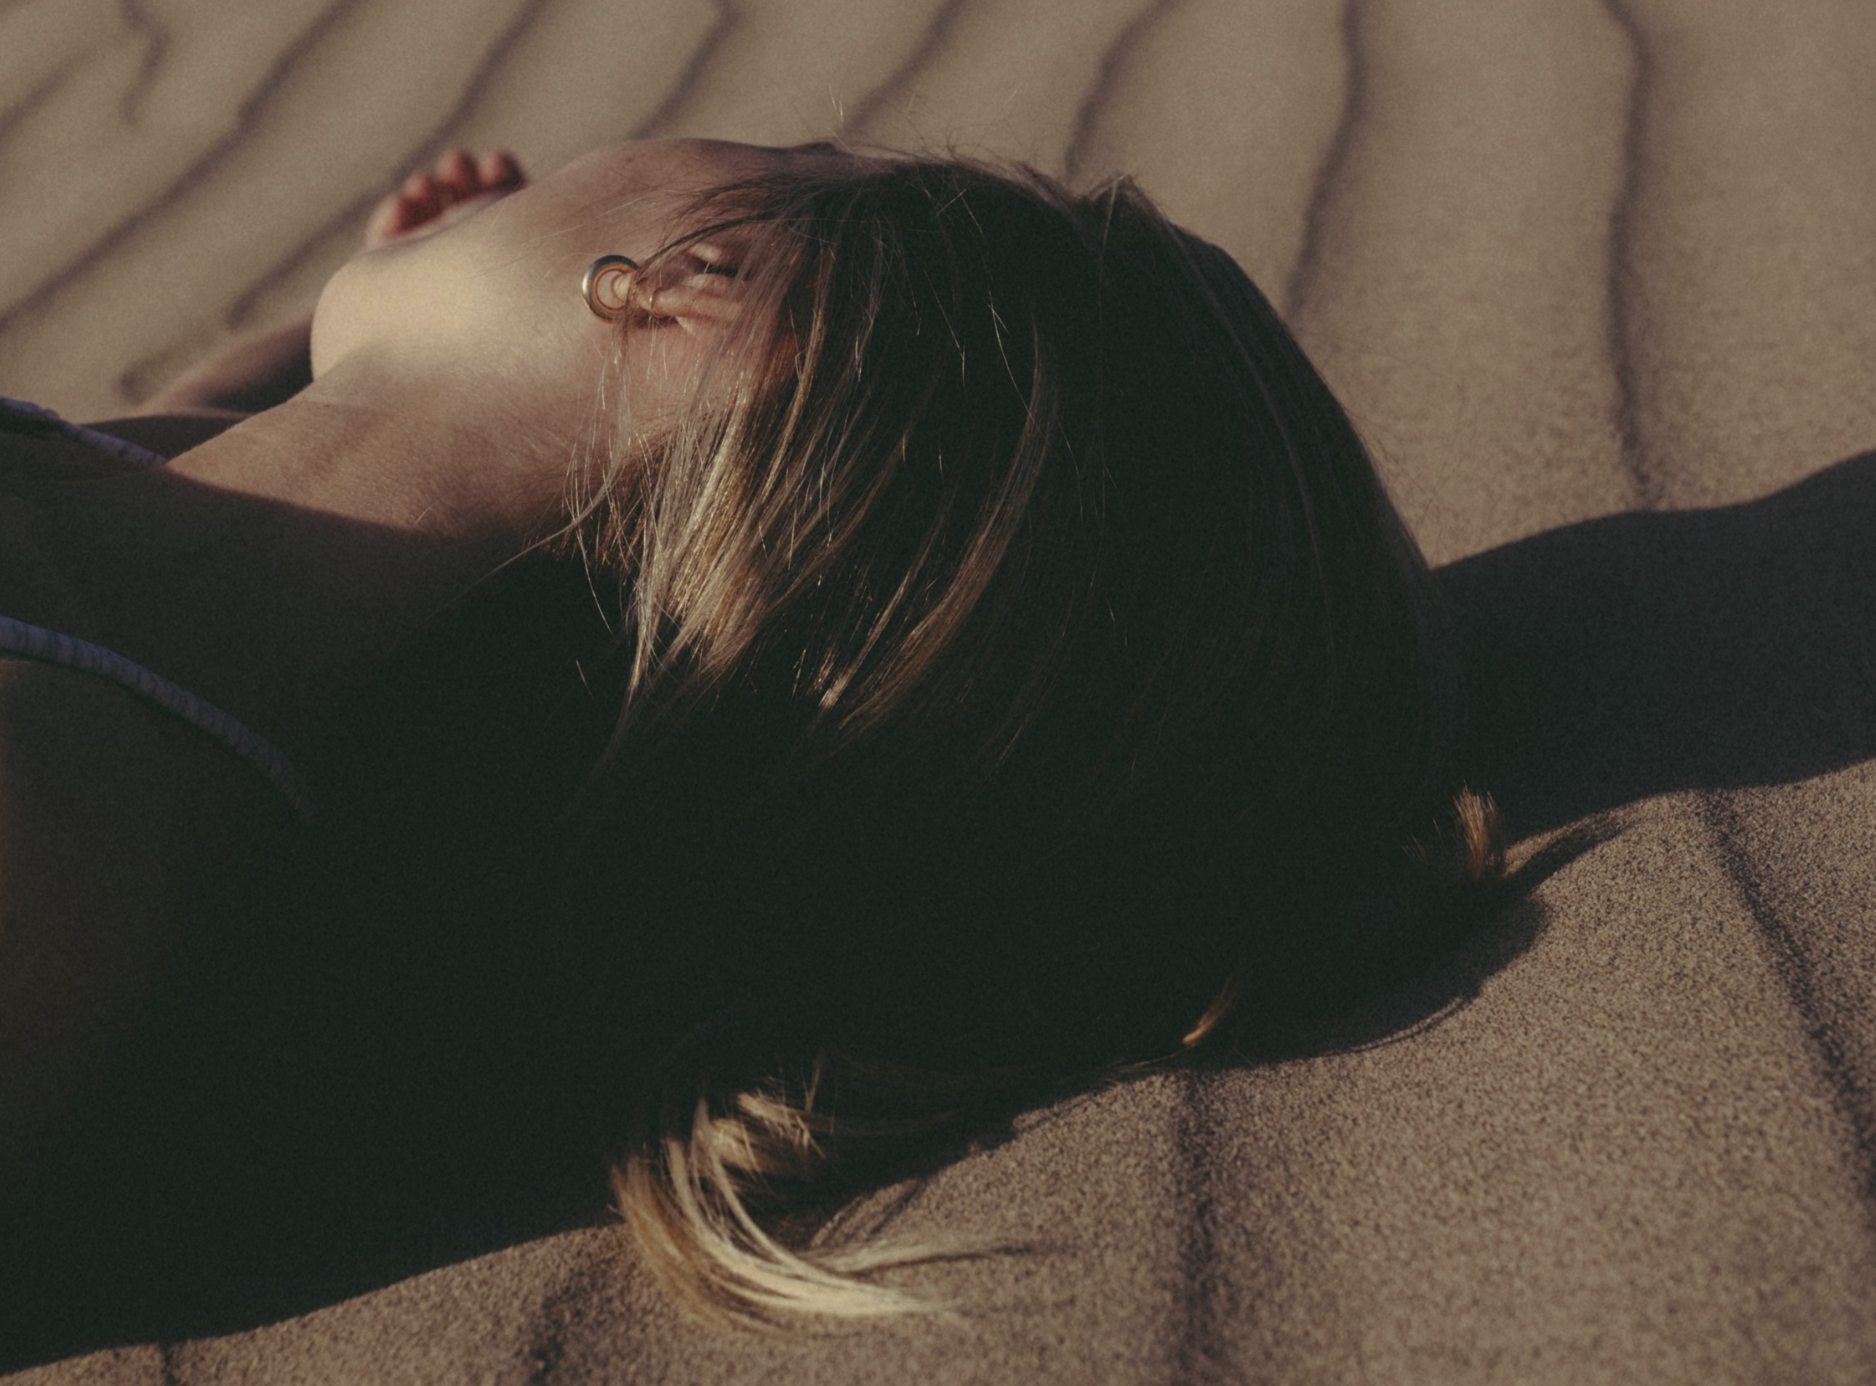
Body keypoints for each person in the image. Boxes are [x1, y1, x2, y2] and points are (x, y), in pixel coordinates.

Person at [0, 140, 1501, 1325]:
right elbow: (177, 480)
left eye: (799, 144)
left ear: (709, 284)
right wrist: (388, 358)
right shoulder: (161, 581)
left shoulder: (48, 852)